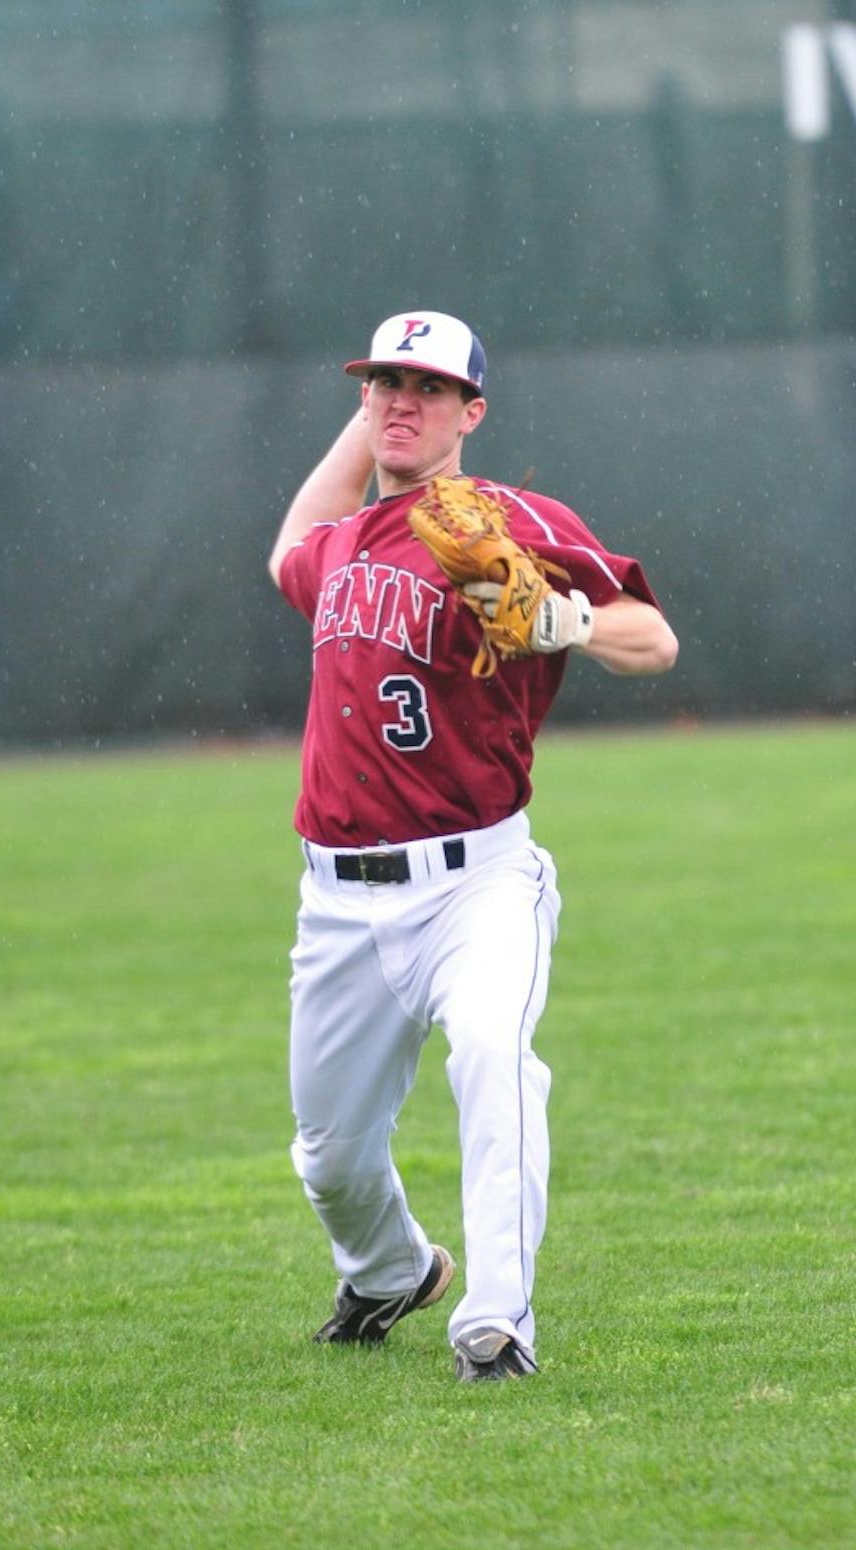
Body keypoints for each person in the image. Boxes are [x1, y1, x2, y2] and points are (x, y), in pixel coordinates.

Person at [268, 310, 678, 1383]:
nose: (403, 400)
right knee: (330, 1154)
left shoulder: (515, 520)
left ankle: (494, 1325)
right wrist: (368, 434)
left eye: (429, 388)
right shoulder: (344, 542)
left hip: (476, 882)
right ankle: (391, 1266)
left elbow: (655, 639)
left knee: (494, 1060)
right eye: (383, 384)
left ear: (473, 411)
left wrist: (572, 625)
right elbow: (286, 551)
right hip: (336, 899)